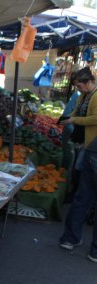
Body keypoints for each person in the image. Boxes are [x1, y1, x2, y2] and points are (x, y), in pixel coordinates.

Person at [59, 67, 97, 260]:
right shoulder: (84, 96)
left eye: (80, 85)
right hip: (87, 149)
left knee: (84, 196)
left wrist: (75, 119)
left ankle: (83, 244)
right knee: (82, 197)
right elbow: (75, 112)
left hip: (92, 148)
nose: (78, 88)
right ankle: (71, 238)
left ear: (88, 81)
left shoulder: (96, 96)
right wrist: (68, 118)